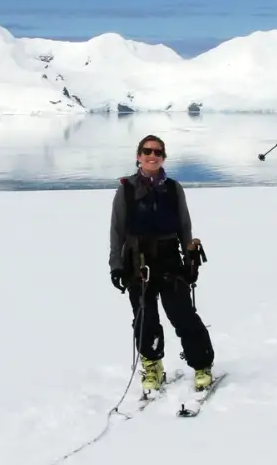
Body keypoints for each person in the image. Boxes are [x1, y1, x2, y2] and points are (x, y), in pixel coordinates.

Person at [108, 134, 215, 393]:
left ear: (163, 157)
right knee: (145, 318)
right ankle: (153, 366)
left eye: (157, 151)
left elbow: (184, 226)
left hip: (169, 259)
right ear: (138, 156)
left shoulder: (173, 188)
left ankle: (202, 365)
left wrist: (190, 259)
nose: (152, 155)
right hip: (137, 262)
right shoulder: (126, 189)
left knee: (182, 313)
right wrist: (116, 265)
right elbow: (117, 230)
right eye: (147, 151)